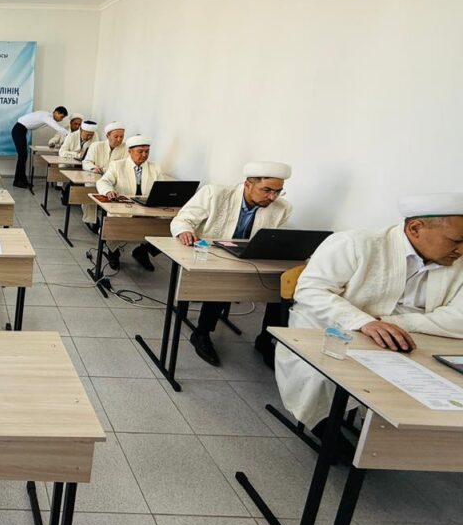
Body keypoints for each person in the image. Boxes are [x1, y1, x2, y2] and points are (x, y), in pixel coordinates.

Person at [276, 194, 463, 436]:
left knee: (438, 384)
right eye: (456, 241)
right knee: (323, 376)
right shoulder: (355, 243)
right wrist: (362, 322)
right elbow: (311, 290)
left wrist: (393, 323)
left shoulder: (457, 261)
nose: (461, 250)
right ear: (415, 228)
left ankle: (390, 435)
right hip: (332, 325)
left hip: (410, 337)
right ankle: (324, 425)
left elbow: (458, 318)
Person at [170, 161, 293, 367]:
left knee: (281, 286)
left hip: (249, 260)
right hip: (210, 256)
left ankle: (266, 340)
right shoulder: (215, 194)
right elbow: (182, 219)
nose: (272, 197)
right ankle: (202, 333)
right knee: (223, 282)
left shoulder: (282, 208)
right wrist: (184, 231)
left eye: (278, 192)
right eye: (267, 190)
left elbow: (273, 238)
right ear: (248, 184)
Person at [96, 134, 165, 271]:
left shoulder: (155, 168)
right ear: (130, 151)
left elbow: (161, 189)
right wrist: (109, 191)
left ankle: (142, 251)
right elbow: (103, 181)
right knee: (113, 226)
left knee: (165, 226)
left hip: (147, 210)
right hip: (124, 209)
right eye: (140, 151)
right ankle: (113, 252)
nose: (144, 155)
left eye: (147, 151)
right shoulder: (117, 165)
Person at [81, 122, 127, 231]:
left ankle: (111, 225)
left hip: (114, 180)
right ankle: (90, 219)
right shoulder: (96, 146)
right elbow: (86, 162)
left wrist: (105, 169)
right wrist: (93, 168)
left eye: (121, 136)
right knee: (89, 188)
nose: (119, 139)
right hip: (95, 178)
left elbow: (124, 166)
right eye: (116, 136)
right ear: (108, 136)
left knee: (118, 192)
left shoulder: (126, 148)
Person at [12, 107, 69, 188]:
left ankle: (20, 180)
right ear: (56, 112)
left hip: (21, 130)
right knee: (22, 156)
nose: (61, 119)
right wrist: (71, 135)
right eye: (61, 117)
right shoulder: (47, 117)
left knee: (23, 156)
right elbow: (58, 128)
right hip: (19, 130)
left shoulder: (45, 115)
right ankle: (19, 181)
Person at [58, 120, 99, 205]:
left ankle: (82, 199)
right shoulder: (71, 136)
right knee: (65, 170)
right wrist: (76, 155)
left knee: (90, 179)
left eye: (91, 135)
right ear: (81, 130)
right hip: (70, 163)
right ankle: (65, 192)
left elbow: (95, 152)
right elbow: (62, 152)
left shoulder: (95, 136)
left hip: (85, 164)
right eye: (87, 134)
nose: (89, 137)